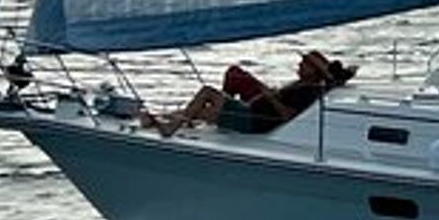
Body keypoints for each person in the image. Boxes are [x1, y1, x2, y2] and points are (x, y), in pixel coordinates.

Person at [146, 50, 355, 137]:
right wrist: (270, 94)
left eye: (304, 64)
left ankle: (168, 126)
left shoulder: (309, 91)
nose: (299, 65)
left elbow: (288, 115)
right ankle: (159, 120)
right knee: (202, 111)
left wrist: (271, 97)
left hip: (253, 120)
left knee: (207, 93)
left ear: (314, 72)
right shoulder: (304, 84)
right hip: (251, 112)